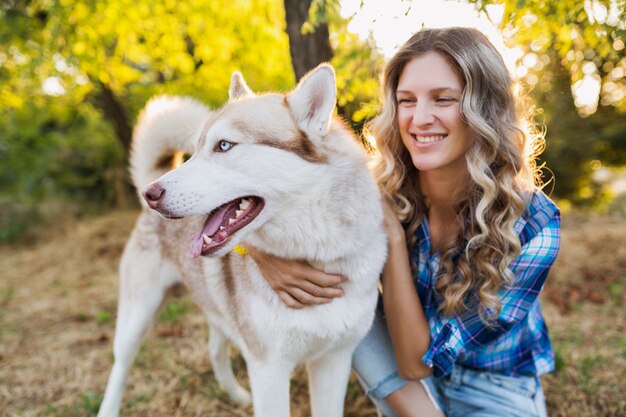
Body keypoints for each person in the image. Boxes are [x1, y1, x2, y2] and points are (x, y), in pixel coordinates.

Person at [248, 27, 560, 417]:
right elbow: (274, 193)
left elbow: (421, 361)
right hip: (397, 376)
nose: (419, 119)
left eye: (443, 99)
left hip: (494, 387)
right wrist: (258, 252)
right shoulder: (378, 186)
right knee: (340, 297)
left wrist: (394, 240)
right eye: (406, 101)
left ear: (484, 109)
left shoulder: (536, 223)